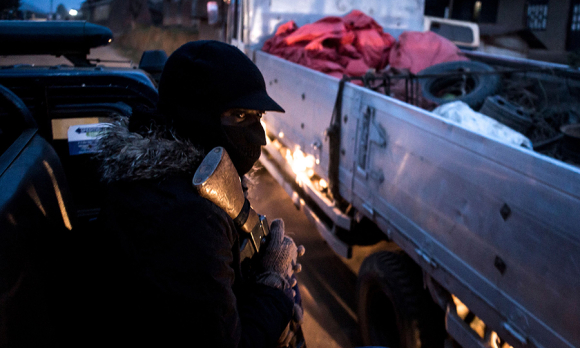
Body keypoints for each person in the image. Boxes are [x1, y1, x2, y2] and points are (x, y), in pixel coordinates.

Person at [93, 40, 304, 347]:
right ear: (198, 117)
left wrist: (259, 266)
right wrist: (274, 287)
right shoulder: (187, 216)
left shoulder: (181, 184)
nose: (259, 137)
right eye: (240, 116)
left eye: (258, 116)